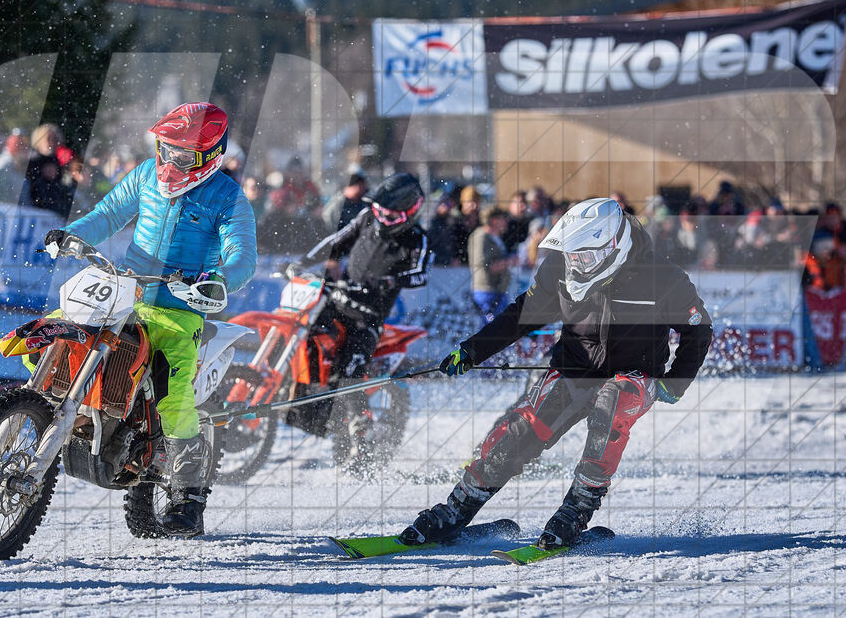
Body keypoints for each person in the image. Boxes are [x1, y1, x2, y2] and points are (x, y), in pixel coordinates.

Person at [399, 198, 712, 551]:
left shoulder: (662, 277)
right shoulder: (560, 267)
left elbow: (698, 329)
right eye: (572, 254)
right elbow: (523, 314)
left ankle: (576, 510)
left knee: (613, 402)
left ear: (613, 246)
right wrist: (473, 349)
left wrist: (677, 381)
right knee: (521, 430)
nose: (576, 262)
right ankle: (457, 507)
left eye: (584, 256)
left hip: (634, 375)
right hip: (575, 368)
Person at [44, 102, 257, 537]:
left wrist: (219, 280)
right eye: (165, 149)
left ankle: (187, 494)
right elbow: (108, 214)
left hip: (181, 307)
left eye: (181, 155)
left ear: (209, 155)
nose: (169, 161)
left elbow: (243, 256)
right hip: (129, 291)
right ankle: (41, 410)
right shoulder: (145, 174)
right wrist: (73, 236)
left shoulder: (228, 196)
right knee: (58, 330)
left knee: (173, 390)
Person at [289, 172, 430, 437]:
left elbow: (421, 273)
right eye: (380, 212)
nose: (382, 220)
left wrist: (389, 281)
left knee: (350, 367)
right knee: (305, 338)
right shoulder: (366, 218)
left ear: (410, 214)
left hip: (368, 317)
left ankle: (360, 422)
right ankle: (306, 401)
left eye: (391, 217)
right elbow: (337, 241)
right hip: (337, 301)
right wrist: (303, 262)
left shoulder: (417, 238)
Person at [468, 206, 513, 322]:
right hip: (487, 292)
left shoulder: (496, 237)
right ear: (494, 220)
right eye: (503, 218)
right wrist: (510, 262)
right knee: (490, 333)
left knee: (502, 332)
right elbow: (484, 266)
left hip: (498, 292)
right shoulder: (481, 237)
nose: (506, 222)